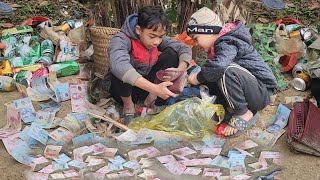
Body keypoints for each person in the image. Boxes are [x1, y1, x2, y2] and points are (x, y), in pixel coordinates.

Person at [186, 7, 278, 137]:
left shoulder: (227, 42)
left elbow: (219, 67)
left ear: (210, 32)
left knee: (224, 70)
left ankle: (242, 112)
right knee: (211, 72)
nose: (195, 44)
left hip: (261, 93)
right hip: (252, 92)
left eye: (196, 38)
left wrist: (197, 78)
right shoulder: (220, 46)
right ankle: (233, 108)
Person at [107, 6, 192, 124]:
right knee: (123, 66)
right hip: (124, 91)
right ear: (138, 30)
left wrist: (179, 70)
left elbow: (184, 48)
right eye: (152, 36)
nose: (156, 42)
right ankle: (128, 106)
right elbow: (118, 65)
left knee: (171, 54)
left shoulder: (156, 38)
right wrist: (155, 89)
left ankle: (150, 100)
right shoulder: (121, 39)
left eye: (160, 37)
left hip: (149, 88)